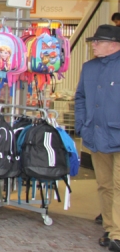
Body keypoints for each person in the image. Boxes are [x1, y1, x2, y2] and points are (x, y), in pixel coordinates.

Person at [75, 24, 120, 250]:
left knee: (119, 184)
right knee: (104, 185)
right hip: (96, 135)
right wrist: (82, 125)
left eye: (98, 42)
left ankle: (118, 234)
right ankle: (112, 229)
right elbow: (80, 97)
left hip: (117, 134)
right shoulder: (89, 67)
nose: (93, 45)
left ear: (114, 45)